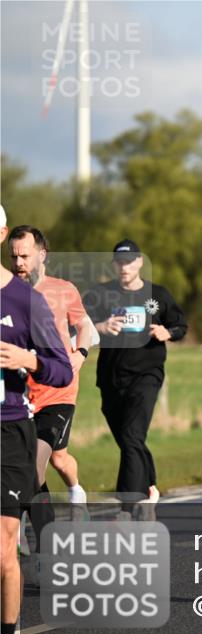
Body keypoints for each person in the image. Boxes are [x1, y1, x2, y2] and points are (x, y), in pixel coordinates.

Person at [1, 207, 73, 634]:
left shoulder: (25, 301)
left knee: (4, 542)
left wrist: (28, 361)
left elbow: (61, 366)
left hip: (8, 431)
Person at [83, 239, 187, 514]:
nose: (125, 266)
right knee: (131, 439)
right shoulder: (101, 295)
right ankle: (150, 485)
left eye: (130, 261)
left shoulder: (158, 295)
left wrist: (168, 333)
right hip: (110, 378)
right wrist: (100, 326)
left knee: (131, 436)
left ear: (140, 262)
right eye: (119, 262)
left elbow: (180, 325)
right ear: (114, 265)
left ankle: (127, 508)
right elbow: (77, 324)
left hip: (146, 375)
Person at [7, 226, 95, 541]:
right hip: (19, 397)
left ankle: (41, 544)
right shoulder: (7, 294)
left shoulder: (62, 290)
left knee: (33, 467)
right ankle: (76, 490)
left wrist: (80, 353)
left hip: (58, 392)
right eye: (13, 256)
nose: (19, 263)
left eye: (25, 256)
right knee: (58, 459)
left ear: (42, 255)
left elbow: (84, 324)